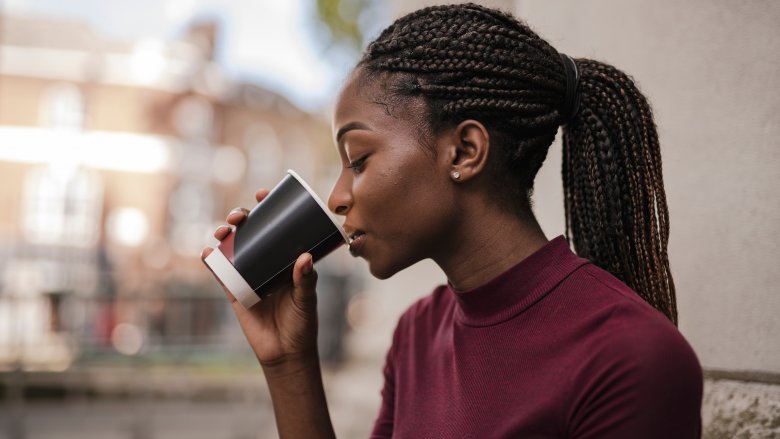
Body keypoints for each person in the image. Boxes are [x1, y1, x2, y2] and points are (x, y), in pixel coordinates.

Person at [201, 3, 703, 438]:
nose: (337, 197)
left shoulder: (632, 358)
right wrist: (289, 364)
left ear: (464, 151)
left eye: (357, 159)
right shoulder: (418, 333)